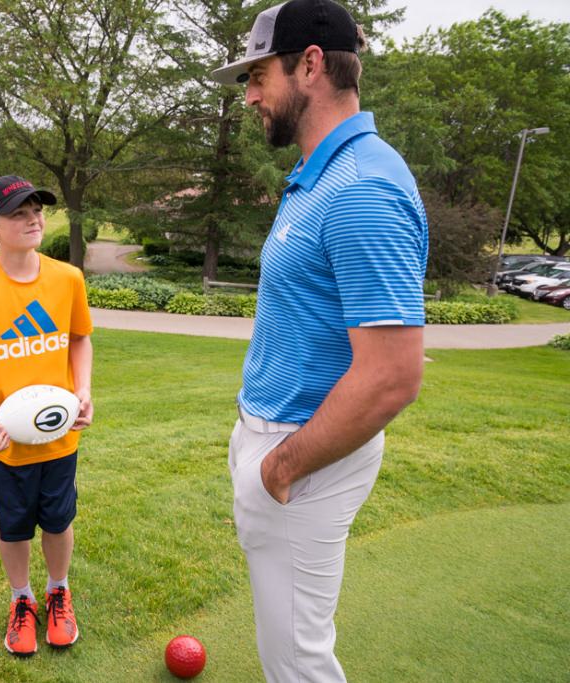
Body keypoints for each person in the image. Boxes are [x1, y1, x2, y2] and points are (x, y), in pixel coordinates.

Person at [211, 1, 428, 680]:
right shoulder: (319, 175)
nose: (248, 96)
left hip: (303, 456)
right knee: (287, 649)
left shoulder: (362, 187)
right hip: (276, 440)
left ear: (309, 65)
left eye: (257, 75)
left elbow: (391, 376)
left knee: (299, 662)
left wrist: (280, 467)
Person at [0, 175, 94, 657]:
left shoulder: (67, 278)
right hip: (6, 440)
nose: (33, 218)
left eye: (37, 209)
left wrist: (84, 390)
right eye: (18, 213)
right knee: (14, 525)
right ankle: (21, 600)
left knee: (57, 518)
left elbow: (78, 338)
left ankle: (58, 591)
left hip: (60, 435)